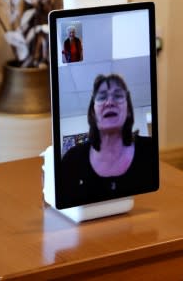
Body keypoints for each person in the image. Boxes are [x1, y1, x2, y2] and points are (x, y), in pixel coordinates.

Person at [60, 74, 154, 203]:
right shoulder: (71, 160)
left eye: (118, 96)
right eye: (102, 97)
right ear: (93, 113)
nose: (109, 102)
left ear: (128, 111)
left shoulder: (150, 150)